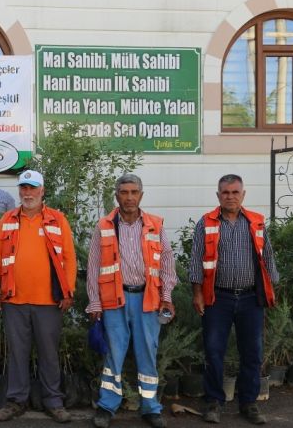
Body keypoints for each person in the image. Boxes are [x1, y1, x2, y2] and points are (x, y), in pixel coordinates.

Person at [86, 174, 177, 428]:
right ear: (117, 196)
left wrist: (167, 297)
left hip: (148, 299)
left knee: (147, 352)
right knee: (114, 354)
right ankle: (107, 406)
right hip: (114, 299)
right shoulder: (104, 226)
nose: (129, 197)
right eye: (124, 192)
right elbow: (93, 267)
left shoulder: (155, 225)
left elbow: (168, 262)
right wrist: (94, 303)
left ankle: (150, 408)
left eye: (134, 192)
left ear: (141, 195)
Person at [188, 174, 279, 425]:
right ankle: (214, 401)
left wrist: (272, 289)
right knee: (214, 352)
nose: (230, 196)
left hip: (251, 298)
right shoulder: (206, 223)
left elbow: (268, 257)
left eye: (235, 192)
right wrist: (197, 294)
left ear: (243, 195)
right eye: (225, 193)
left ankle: (248, 403)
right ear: (218, 196)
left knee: (252, 353)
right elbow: (196, 260)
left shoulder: (256, 222)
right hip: (217, 298)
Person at [0, 170, 76, 423]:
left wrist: (68, 291)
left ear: (42, 191)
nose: (28, 193)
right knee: (17, 353)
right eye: (24, 188)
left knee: (49, 353)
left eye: (32, 188)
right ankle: (16, 401)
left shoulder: (58, 220)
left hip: (49, 301)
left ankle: (53, 402)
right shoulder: (7, 219)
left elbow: (69, 258)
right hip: (14, 300)